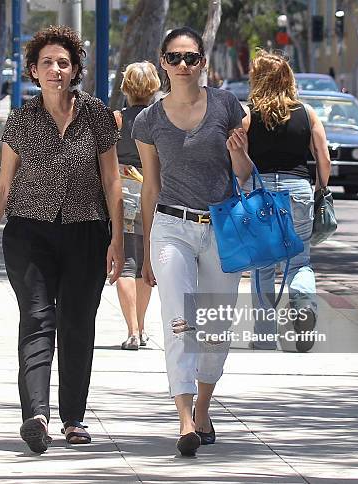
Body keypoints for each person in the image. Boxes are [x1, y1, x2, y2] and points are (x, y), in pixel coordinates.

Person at [0, 25, 124, 455]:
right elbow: (3, 186)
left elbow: (112, 182)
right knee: (38, 319)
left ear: (75, 69)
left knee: (78, 322)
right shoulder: (22, 119)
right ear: (33, 71)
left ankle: (73, 418)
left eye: (63, 63)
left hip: (86, 232)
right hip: (28, 233)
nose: (56, 70)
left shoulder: (96, 114)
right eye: (47, 63)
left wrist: (118, 241)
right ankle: (35, 415)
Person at [132, 27, 253, 456]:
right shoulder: (148, 120)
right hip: (171, 227)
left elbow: (244, 174)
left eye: (192, 58)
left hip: (222, 227)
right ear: (162, 62)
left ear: (203, 61)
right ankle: (184, 419)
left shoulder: (225, 104)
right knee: (179, 319)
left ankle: (203, 408)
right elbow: (150, 186)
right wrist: (145, 248)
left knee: (216, 323)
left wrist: (238, 152)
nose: (184, 65)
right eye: (175, 58)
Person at [242, 50, 331, 352]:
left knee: (262, 266)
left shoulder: (248, 115)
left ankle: (265, 334)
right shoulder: (307, 113)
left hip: (261, 191)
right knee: (299, 261)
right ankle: (303, 304)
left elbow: (237, 158)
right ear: (288, 78)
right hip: (298, 190)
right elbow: (324, 159)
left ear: (257, 79)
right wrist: (320, 191)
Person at [113, 61, 159, 351]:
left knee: (124, 264)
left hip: (124, 194)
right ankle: (141, 327)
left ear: (126, 86)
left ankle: (131, 329)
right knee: (146, 264)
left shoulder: (115, 119)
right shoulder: (161, 118)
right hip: (154, 193)